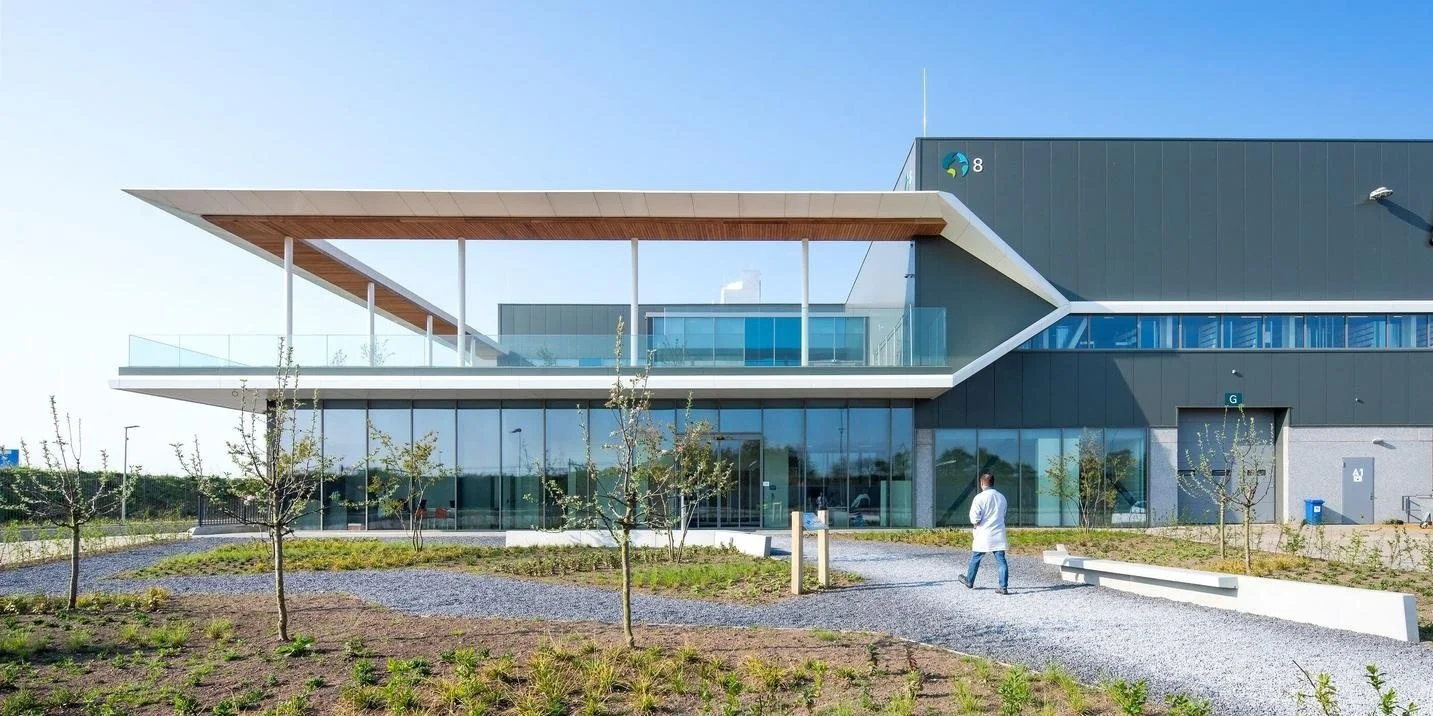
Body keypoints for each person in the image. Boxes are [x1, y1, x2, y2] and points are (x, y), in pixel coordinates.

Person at [958, 472, 1009, 594]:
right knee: (1001, 561)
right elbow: (1004, 515)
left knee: (975, 558)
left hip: (984, 534)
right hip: (998, 533)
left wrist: (976, 524)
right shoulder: (1002, 497)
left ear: (981, 484)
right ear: (993, 483)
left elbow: (974, 518)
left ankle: (969, 580)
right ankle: (1003, 587)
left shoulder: (979, 498)